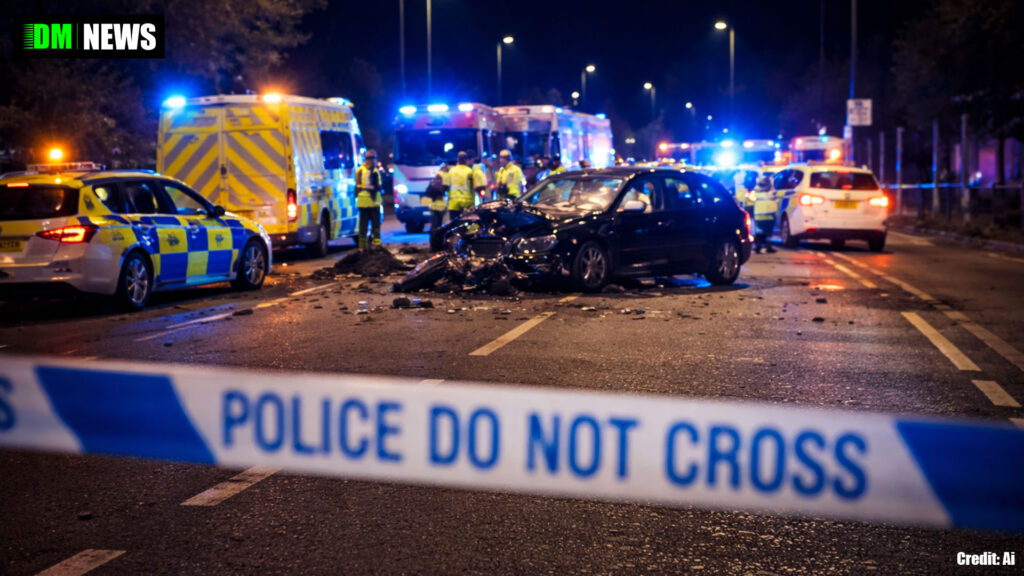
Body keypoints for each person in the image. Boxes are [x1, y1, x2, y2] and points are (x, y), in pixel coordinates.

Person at [442, 151, 485, 221]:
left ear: (458, 159)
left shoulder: (451, 171)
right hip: (468, 203)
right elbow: (477, 186)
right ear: (465, 160)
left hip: (454, 203)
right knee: (469, 224)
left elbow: (445, 186)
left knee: (454, 225)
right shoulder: (470, 171)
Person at [354, 149, 384, 249]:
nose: (371, 160)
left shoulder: (370, 170)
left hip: (371, 203)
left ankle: (372, 247)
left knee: (372, 228)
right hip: (368, 203)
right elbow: (378, 186)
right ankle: (365, 248)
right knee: (367, 228)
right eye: (370, 158)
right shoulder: (364, 170)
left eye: (372, 158)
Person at [424, 164, 448, 251]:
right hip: (439, 207)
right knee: (436, 228)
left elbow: (427, 193)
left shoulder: (434, 182)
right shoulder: (441, 179)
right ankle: (436, 246)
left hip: (435, 207)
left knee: (435, 227)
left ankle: (435, 246)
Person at [752, 173, 778, 253]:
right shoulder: (770, 191)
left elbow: (752, 199)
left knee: (759, 231)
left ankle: (758, 247)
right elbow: (775, 195)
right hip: (769, 213)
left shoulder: (756, 190)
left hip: (759, 214)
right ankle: (768, 247)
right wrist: (772, 184)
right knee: (769, 232)